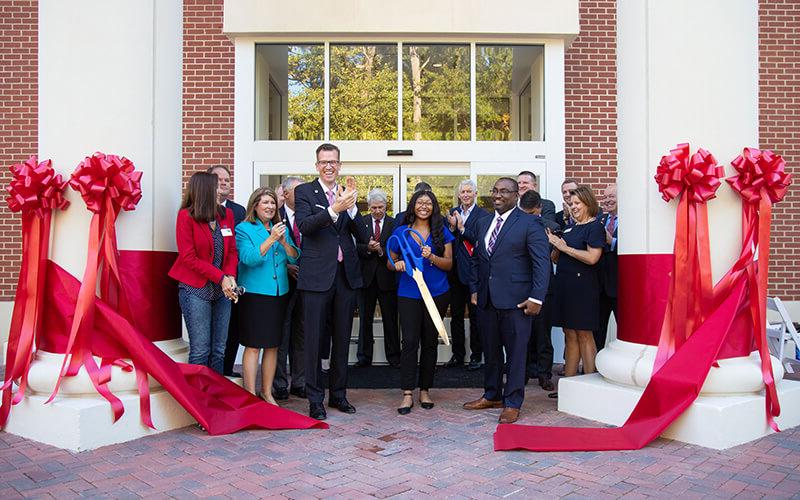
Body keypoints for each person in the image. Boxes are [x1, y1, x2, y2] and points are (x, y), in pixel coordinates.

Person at [463, 178, 550, 424]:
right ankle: (492, 394)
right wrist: (475, 288)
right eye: (495, 191)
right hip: (487, 300)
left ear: (516, 195)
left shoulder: (530, 222)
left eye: (504, 191)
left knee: (515, 354)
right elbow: (476, 259)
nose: (498, 195)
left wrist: (536, 297)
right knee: (490, 351)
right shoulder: (482, 222)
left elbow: (541, 263)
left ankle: (513, 402)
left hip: (518, 302)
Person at [294, 143, 367, 420]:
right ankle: (315, 399)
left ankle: (338, 395)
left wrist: (352, 207)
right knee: (313, 340)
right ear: (317, 166)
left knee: (342, 339)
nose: (329, 166)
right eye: (324, 162)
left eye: (333, 162)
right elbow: (305, 227)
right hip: (315, 277)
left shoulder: (346, 194)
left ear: (339, 165)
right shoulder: (304, 192)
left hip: (345, 277)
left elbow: (361, 235)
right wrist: (334, 208)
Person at [387, 190, 453, 415]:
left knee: (429, 342)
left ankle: (425, 390)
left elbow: (449, 264)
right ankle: (407, 393)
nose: (423, 206)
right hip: (409, 292)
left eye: (428, 203)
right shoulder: (401, 231)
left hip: (437, 293)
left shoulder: (442, 232)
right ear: (413, 206)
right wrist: (396, 265)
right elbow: (390, 260)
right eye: (419, 202)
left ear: (434, 207)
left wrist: (431, 257)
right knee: (410, 341)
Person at [169, 172, 239, 374]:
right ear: (205, 190)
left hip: (223, 291)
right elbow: (188, 257)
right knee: (200, 350)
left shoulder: (227, 216)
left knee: (219, 350)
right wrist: (221, 278)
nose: (222, 189)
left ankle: (216, 398)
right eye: (217, 186)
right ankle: (198, 402)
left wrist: (230, 276)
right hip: (195, 290)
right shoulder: (186, 216)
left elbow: (232, 250)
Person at [235, 187, 299, 404]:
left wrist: (283, 242)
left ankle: (267, 392)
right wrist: (272, 239)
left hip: (279, 293)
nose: (270, 207)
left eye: (273, 203)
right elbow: (249, 258)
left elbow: (293, 257)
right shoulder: (244, 229)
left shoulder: (280, 229)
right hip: (255, 295)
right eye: (265, 203)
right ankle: (250, 395)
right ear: (255, 206)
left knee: (273, 345)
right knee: (253, 345)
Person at [548, 185, 605, 386]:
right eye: (570, 204)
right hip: (565, 286)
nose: (573, 207)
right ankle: (569, 385)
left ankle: (590, 385)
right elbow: (556, 258)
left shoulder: (595, 226)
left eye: (577, 203)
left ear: (588, 203)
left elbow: (592, 258)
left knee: (584, 334)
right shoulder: (570, 227)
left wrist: (565, 247)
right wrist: (556, 245)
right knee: (569, 333)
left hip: (583, 288)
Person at [445, 179, 489, 370]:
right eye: (462, 192)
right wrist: (453, 228)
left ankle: (476, 356)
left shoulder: (484, 215)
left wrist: (462, 228)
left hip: (474, 274)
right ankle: (457, 355)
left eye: (469, 192)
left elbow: (481, 241)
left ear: (475, 194)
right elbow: (446, 240)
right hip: (454, 273)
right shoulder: (452, 213)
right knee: (455, 316)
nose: (465, 195)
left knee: (476, 317)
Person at [207, 165, 246, 378]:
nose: (224, 182)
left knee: (230, 331)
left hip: (231, 281)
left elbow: (235, 247)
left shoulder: (238, 211)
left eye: (227, 179)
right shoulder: (197, 209)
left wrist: (230, 276)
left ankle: (226, 371)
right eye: (218, 178)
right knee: (207, 335)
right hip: (204, 282)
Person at [356, 189, 400, 367]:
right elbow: (355, 246)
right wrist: (368, 247)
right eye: (373, 207)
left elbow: (397, 247)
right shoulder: (362, 222)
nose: (377, 211)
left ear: (386, 206)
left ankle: (394, 356)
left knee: (390, 320)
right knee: (365, 320)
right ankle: (364, 357)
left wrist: (381, 251)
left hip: (387, 278)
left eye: (380, 207)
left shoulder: (393, 223)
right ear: (368, 207)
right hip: (366, 279)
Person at [273, 176, 306, 400]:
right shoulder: (274, 217)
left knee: (302, 335)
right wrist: (286, 266)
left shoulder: (310, 215)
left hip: (307, 284)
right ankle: (279, 383)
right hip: (281, 284)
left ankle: (300, 382)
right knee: (281, 335)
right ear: (284, 195)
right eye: (298, 191)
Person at [519, 190, 555, 391]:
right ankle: (521, 373)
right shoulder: (515, 226)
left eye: (532, 213)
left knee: (543, 335)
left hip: (544, 288)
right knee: (521, 334)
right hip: (521, 286)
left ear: (539, 209)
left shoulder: (550, 228)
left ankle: (544, 374)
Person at [596, 183, 618, 352]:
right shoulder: (600, 220)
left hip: (620, 286)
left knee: (626, 329)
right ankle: (594, 367)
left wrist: (612, 241)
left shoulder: (632, 222)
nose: (607, 200)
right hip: (599, 285)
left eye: (612, 196)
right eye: (605, 197)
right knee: (598, 329)